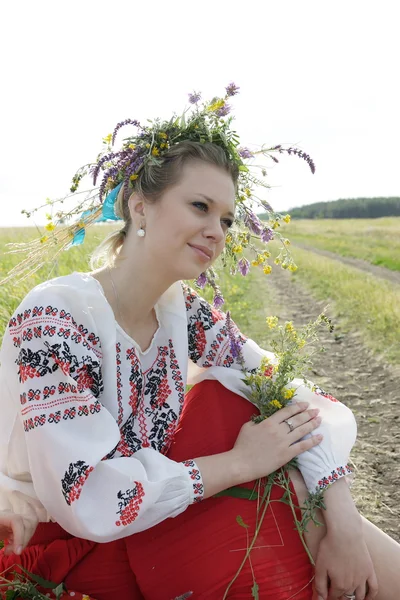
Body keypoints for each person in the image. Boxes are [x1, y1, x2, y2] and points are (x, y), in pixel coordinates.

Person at [0, 85, 399, 600]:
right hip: (60, 544)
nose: (216, 230)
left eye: (226, 219)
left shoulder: (183, 311)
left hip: (149, 519)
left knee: (275, 457)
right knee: (261, 471)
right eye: (199, 206)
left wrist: (341, 510)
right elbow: (87, 498)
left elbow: (287, 390)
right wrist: (238, 463)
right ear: (140, 207)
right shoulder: (56, 318)